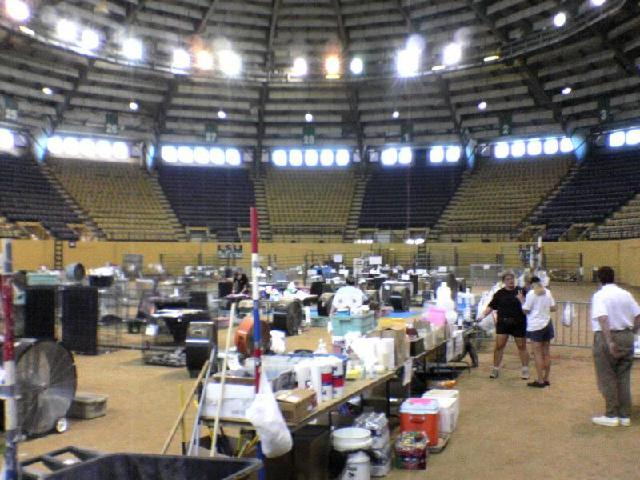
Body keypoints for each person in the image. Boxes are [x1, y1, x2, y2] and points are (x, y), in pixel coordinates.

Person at [590, 266, 640, 427]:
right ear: (614, 277)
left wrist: (610, 341)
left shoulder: (599, 296)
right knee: (623, 377)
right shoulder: (626, 294)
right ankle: (624, 415)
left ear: (599, 279)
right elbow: (638, 315)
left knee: (607, 377)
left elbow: (603, 318)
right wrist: (633, 331)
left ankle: (611, 415)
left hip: (608, 336)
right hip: (627, 334)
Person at [481, 270, 530, 379]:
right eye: (508, 279)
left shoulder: (521, 291)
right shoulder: (499, 293)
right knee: (499, 346)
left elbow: (528, 306)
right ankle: (495, 369)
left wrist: (522, 300)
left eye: (512, 279)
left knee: (522, 346)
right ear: (503, 281)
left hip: (519, 323)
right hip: (503, 323)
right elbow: (491, 306)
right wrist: (482, 315)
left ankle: (525, 369)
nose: (511, 281)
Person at [522, 276, 556, 388]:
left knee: (537, 354)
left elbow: (526, 310)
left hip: (536, 326)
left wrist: (521, 301)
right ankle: (546, 378)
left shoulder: (531, 294)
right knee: (546, 352)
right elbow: (553, 308)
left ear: (531, 284)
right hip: (547, 323)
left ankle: (540, 380)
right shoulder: (547, 292)